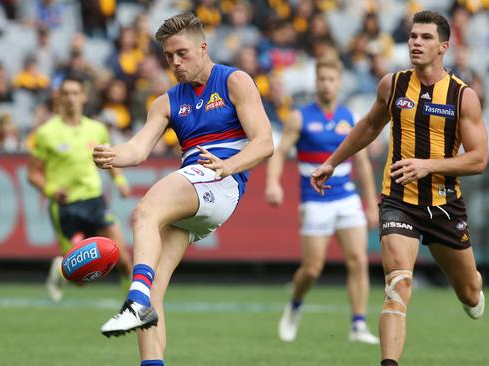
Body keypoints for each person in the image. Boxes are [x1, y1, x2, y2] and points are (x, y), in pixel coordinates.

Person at [94, 13, 273, 365]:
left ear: (203, 48)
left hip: (220, 179)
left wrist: (229, 166)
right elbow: (138, 149)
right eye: (168, 56)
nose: (175, 62)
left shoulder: (234, 81)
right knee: (154, 286)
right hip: (199, 188)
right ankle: (146, 332)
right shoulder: (166, 101)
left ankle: (133, 300)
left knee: (145, 211)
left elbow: (265, 142)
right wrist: (115, 154)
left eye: (182, 53)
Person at [310, 11, 486, 366]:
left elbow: (479, 159)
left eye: (425, 38)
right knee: (398, 286)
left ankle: (472, 291)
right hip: (398, 203)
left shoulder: (462, 96)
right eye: (412, 36)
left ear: (444, 47)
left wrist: (428, 166)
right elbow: (370, 125)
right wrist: (333, 160)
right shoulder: (392, 84)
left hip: (444, 206)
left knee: (469, 292)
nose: (416, 43)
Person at [265, 57, 380, 344]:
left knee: (358, 260)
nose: (326, 85)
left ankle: (358, 324)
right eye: (322, 80)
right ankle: (295, 304)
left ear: (339, 83)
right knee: (312, 269)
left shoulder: (351, 118)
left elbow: (363, 164)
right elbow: (280, 153)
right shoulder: (300, 117)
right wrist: (272, 183)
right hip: (314, 202)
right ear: (316, 83)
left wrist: (369, 202)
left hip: (347, 199)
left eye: (331, 80)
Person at [28, 76, 133, 302]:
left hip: (95, 201)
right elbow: (33, 174)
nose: (71, 98)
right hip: (66, 207)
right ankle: (59, 269)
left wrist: (120, 182)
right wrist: (51, 190)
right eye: (66, 93)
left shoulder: (97, 129)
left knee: (124, 259)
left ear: (83, 97)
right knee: (80, 277)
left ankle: (132, 308)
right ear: (59, 98)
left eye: (76, 93)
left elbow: (109, 161)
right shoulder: (47, 133)